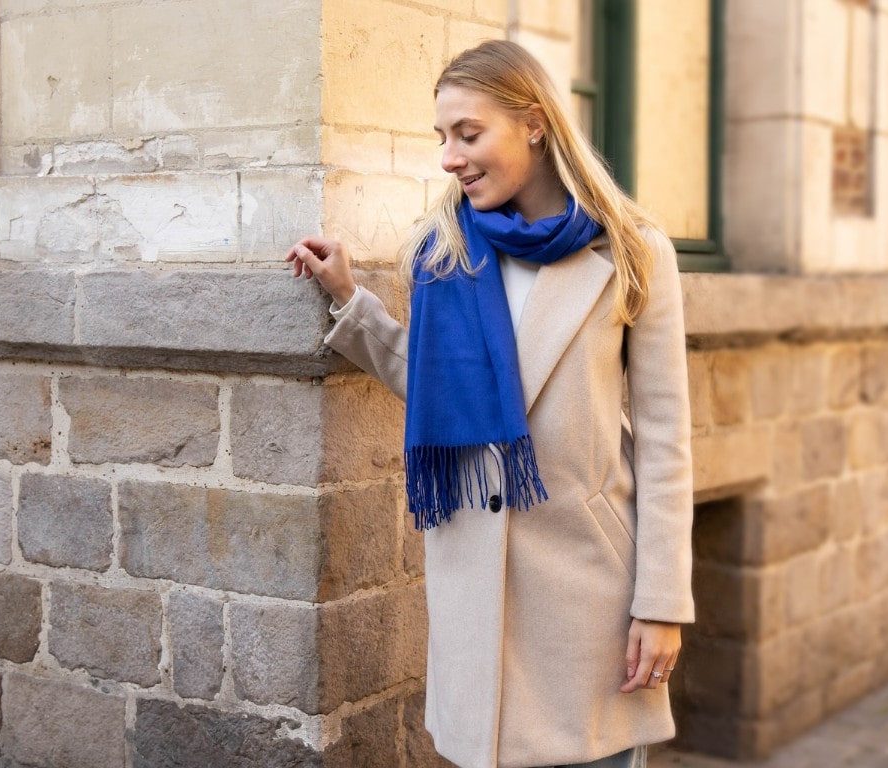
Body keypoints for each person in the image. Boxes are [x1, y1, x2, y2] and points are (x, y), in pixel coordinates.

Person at [286, 39, 693, 768]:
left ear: (534, 123)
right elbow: (439, 391)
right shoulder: (442, 252)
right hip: (474, 581)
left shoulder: (633, 251)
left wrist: (662, 603)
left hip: (588, 593)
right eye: (442, 137)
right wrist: (351, 300)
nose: (450, 157)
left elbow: (666, 441)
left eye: (468, 134)